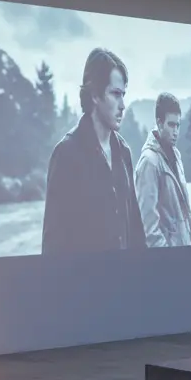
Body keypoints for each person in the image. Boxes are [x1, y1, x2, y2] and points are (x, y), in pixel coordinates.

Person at [41, 48, 147, 254]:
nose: (123, 105)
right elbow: (53, 247)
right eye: (115, 94)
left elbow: (136, 231)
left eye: (123, 95)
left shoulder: (123, 152)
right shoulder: (66, 155)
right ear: (95, 95)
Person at [134, 92, 191, 247]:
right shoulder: (149, 162)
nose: (176, 131)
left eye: (178, 125)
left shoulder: (176, 155)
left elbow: (184, 216)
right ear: (159, 123)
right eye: (171, 125)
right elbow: (149, 231)